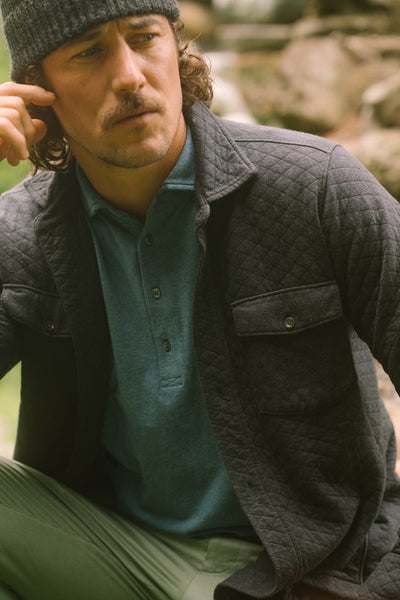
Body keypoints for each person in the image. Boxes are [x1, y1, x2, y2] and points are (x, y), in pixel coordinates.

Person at [0, 0, 399, 598]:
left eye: (144, 37)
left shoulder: (316, 186)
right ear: (37, 92)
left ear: (175, 45)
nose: (130, 75)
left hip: (307, 571)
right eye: (89, 52)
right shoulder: (20, 233)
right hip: (113, 553)